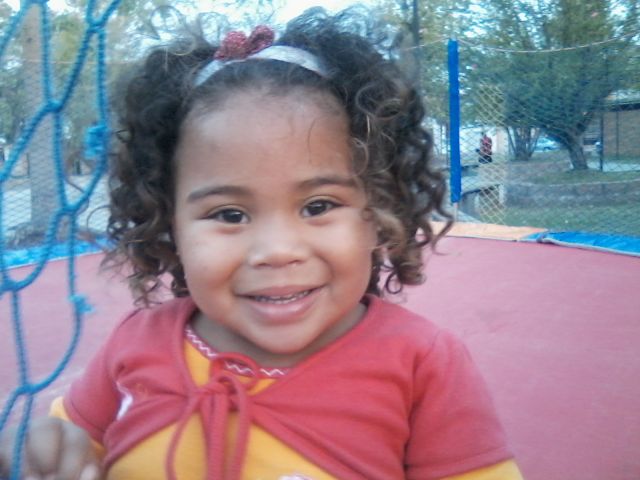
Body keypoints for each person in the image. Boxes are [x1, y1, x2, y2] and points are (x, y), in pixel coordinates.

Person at [0, 9, 523, 480]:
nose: (276, 250)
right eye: (230, 214)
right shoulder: (135, 343)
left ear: (378, 212)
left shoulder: (421, 364)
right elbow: (67, 444)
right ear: (169, 224)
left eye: (318, 206)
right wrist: (48, 450)